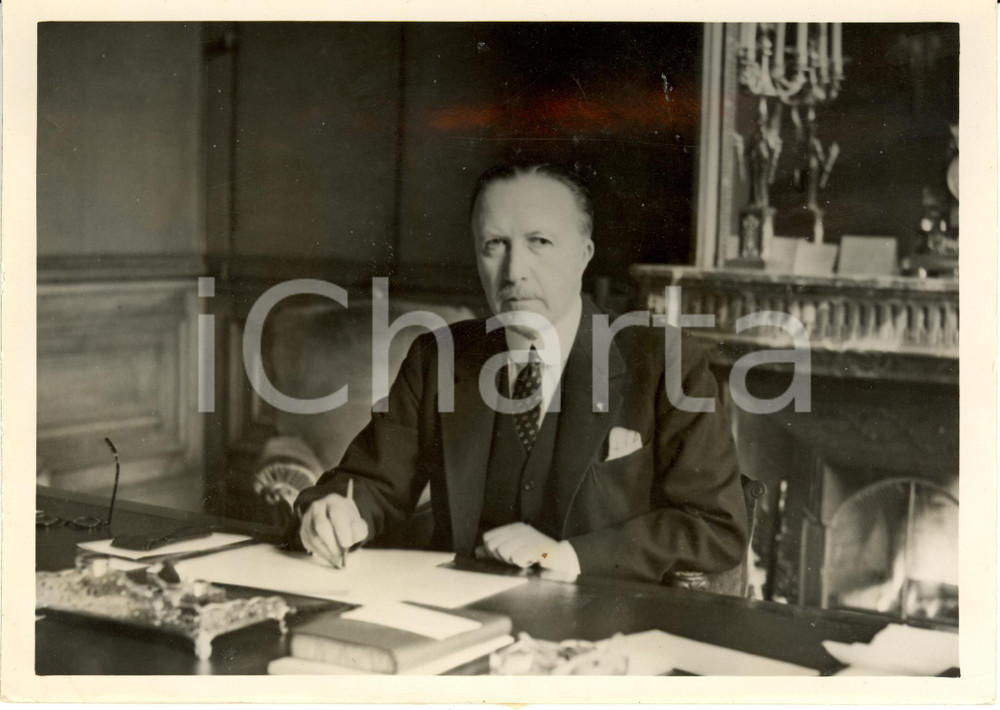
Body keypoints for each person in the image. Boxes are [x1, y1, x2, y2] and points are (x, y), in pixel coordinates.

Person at [293, 163, 747, 583]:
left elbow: (715, 525)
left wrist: (569, 557)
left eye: (540, 242)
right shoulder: (439, 355)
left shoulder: (663, 360)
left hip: (603, 632)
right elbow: (371, 483)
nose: (515, 271)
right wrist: (333, 510)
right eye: (495, 245)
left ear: (584, 254)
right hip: (457, 619)